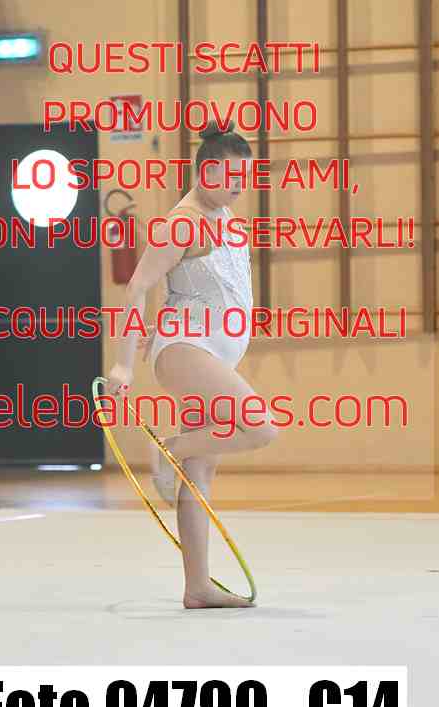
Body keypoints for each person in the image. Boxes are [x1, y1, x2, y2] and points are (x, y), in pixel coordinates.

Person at [105, 121, 278, 609]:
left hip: (208, 348)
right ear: (205, 173)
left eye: (244, 178)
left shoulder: (222, 215)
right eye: (231, 178)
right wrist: (123, 365)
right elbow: (138, 287)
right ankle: (169, 449)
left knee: (199, 478)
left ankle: (197, 586)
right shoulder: (182, 222)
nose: (239, 187)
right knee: (260, 427)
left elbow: (193, 286)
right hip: (187, 349)